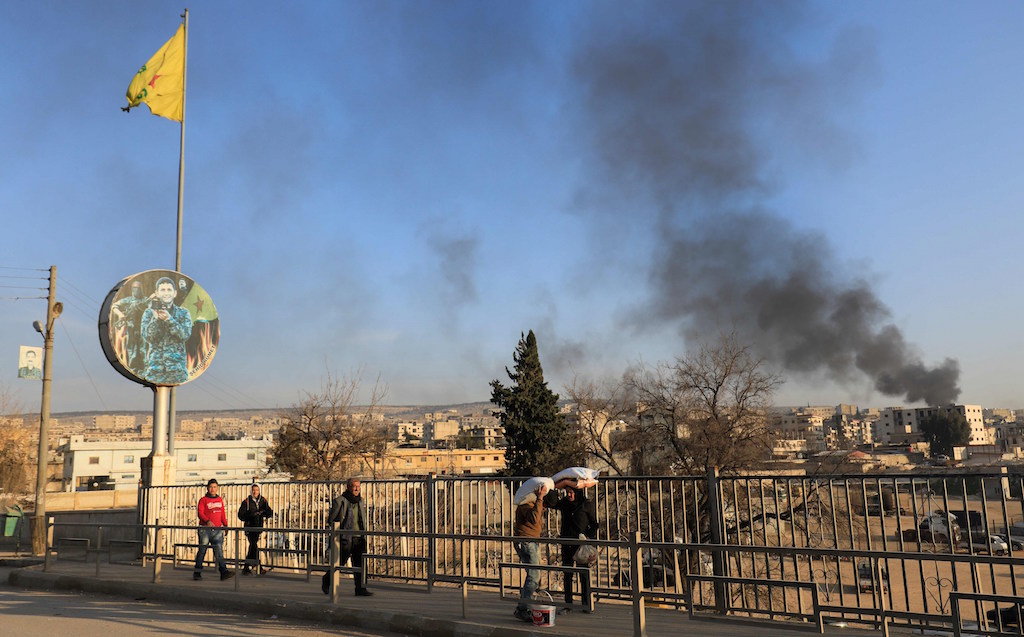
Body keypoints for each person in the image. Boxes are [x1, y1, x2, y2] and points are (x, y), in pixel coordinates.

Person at [512, 477, 574, 622]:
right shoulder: (525, 505)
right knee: (534, 576)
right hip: (526, 542)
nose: (544, 507)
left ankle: (528, 604)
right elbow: (533, 519)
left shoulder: (533, 505)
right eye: (545, 504)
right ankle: (522, 609)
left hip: (531, 542)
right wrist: (540, 499)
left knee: (533, 576)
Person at [545, 486, 599, 612]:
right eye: (567, 492)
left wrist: (588, 536)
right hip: (567, 543)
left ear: (577, 492)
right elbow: (552, 503)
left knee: (583, 575)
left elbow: (594, 524)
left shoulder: (585, 504)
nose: (569, 495)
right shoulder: (564, 503)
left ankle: (586, 604)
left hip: (581, 545)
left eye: (571, 492)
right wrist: (552, 487)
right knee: (568, 574)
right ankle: (568, 604)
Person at [322, 477, 372, 596]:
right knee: (340, 562)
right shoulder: (340, 501)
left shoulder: (361, 501)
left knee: (360, 563)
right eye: (354, 486)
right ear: (348, 487)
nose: (356, 489)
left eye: (358, 487)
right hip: (345, 537)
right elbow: (332, 520)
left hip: (359, 536)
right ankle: (327, 580)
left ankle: (360, 588)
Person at [140, 276, 192, 384]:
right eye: (162, 290)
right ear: (157, 293)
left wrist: (169, 320)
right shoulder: (149, 313)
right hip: (156, 371)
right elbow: (147, 337)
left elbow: (185, 335)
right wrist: (155, 319)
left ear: (175, 293)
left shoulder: (183, 313)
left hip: (177, 371)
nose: (166, 293)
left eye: (169, 290)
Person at [193, 478, 234, 581]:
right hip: (205, 529)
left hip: (217, 529)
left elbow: (222, 514)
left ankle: (223, 571)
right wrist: (207, 521)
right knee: (202, 550)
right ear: (207, 488)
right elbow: (200, 513)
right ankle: (197, 572)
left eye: (214, 487)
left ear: (217, 488)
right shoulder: (203, 500)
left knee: (219, 550)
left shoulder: (219, 499)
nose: (212, 489)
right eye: (211, 487)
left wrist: (225, 524)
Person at [111, 280, 152, 376]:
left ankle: (145, 370)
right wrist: (121, 315)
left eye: (137, 288)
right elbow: (114, 306)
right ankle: (133, 369)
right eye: (134, 288)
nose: (135, 290)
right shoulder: (128, 300)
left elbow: (152, 309)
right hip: (131, 328)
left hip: (143, 328)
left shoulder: (145, 300)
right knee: (132, 350)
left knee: (144, 349)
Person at [238, 483, 273, 576]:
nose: (255, 492)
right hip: (249, 527)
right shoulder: (246, 502)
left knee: (253, 546)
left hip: (258, 527)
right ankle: (259, 568)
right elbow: (241, 515)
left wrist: (263, 513)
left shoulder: (263, 500)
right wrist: (251, 514)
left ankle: (247, 567)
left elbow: (270, 512)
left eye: (257, 490)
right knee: (253, 545)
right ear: (251, 491)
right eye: (253, 490)